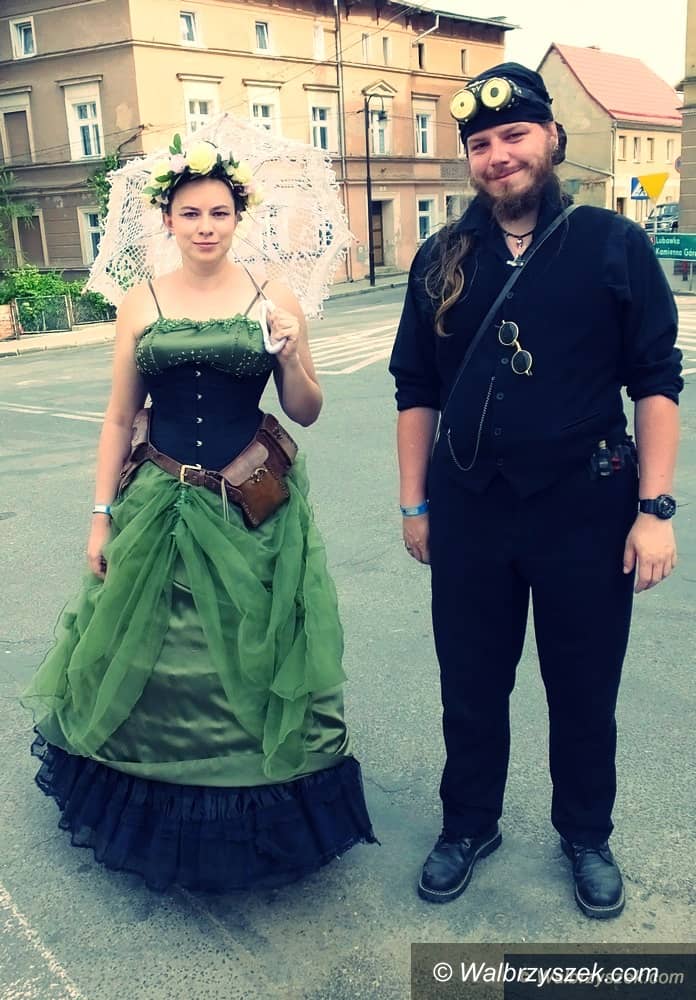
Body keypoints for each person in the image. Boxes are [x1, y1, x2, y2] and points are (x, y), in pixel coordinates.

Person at [21, 138, 376, 891]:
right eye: (191, 213)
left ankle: (261, 815)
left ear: (239, 216)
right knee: (152, 653)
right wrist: (100, 515)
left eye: (219, 212)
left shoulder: (274, 296)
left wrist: (290, 357)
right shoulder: (142, 301)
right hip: (159, 499)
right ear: (168, 219)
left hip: (251, 507)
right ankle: (150, 804)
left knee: (254, 651)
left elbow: (307, 410)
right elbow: (119, 417)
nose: (206, 226)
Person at [389, 63, 681, 918]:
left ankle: (586, 833)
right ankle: (468, 823)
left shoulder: (611, 243)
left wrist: (655, 510)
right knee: (471, 684)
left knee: (584, 688)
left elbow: (656, 381)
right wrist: (414, 503)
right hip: (470, 509)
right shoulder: (442, 257)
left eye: (514, 135)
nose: (498, 156)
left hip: (587, 510)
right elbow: (415, 389)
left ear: (551, 137)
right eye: (481, 144)